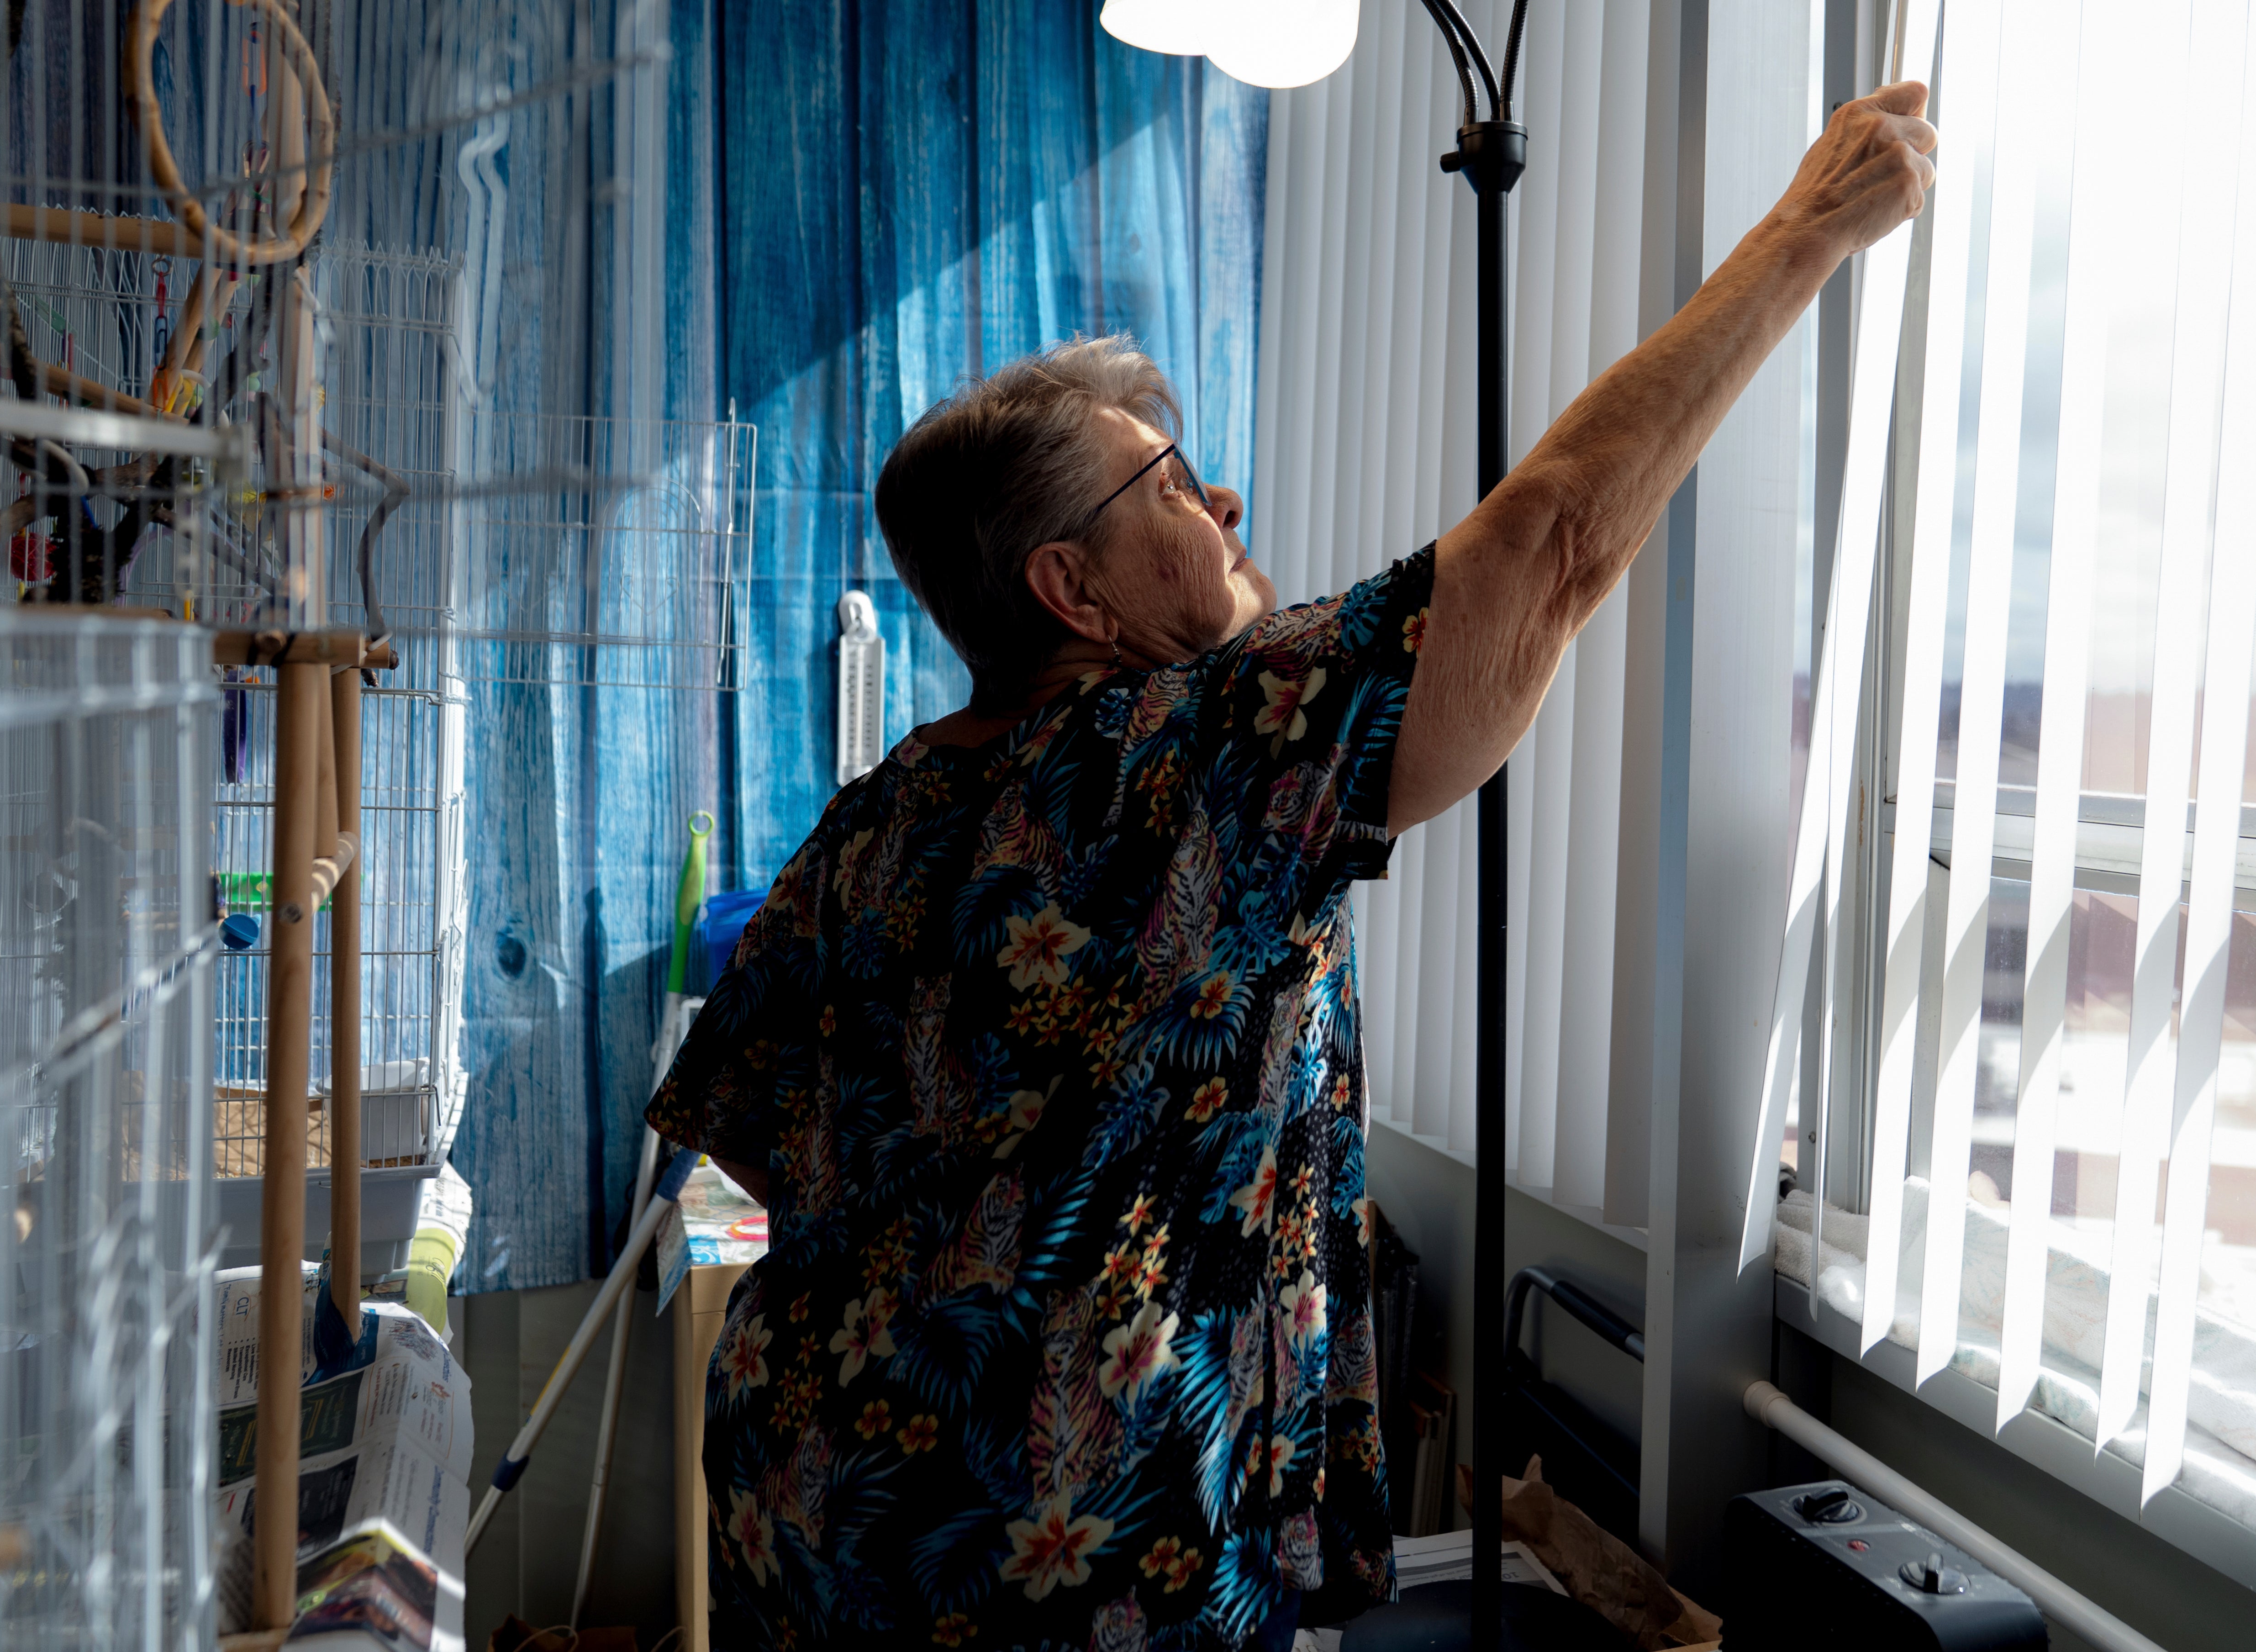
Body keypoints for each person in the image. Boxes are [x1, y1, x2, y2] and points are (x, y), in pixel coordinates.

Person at [649, 80, 1937, 1652]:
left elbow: (765, 1134)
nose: (1225, 498)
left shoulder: (880, 813)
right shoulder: (1189, 753)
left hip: (801, 1501)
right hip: (1057, 1566)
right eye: (1173, 487)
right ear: (1075, 591)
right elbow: (1552, 547)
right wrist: (1806, 231)